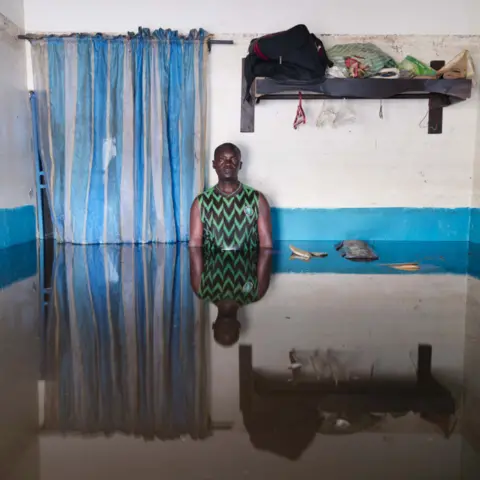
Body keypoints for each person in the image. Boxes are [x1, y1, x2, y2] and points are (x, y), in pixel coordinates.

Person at [189, 142, 273, 251]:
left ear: (240, 165)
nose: (228, 164)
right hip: (212, 266)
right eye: (222, 159)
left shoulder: (257, 199)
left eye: (233, 159)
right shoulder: (201, 202)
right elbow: (195, 243)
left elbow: (266, 243)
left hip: (248, 266)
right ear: (214, 164)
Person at [189, 248, 272, 347]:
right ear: (213, 325)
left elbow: (266, 250)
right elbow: (195, 249)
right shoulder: (200, 289)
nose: (226, 330)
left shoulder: (257, 293)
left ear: (238, 325)